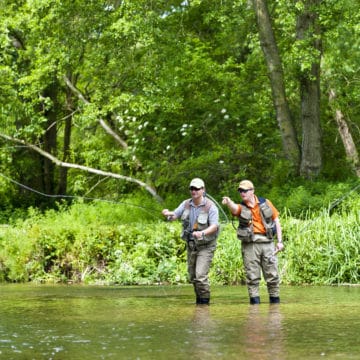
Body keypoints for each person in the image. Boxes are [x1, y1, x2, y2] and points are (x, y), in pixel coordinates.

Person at [222, 180, 284, 304]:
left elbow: (276, 220)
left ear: (252, 191)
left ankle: (275, 307)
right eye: (240, 191)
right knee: (252, 277)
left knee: (272, 276)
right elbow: (235, 209)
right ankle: (255, 311)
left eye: (245, 190)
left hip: (268, 244)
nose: (242, 193)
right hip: (250, 245)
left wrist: (280, 241)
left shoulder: (265, 202)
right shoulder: (241, 207)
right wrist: (229, 202)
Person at [162, 178, 219, 305]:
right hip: (191, 245)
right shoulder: (186, 204)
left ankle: (205, 303)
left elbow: (214, 226)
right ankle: (199, 303)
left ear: (203, 190)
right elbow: (174, 215)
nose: (194, 191)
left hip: (206, 246)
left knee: (200, 276)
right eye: (192, 189)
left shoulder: (211, 207)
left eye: (197, 189)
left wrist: (202, 233)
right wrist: (168, 214)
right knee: (193, 277)